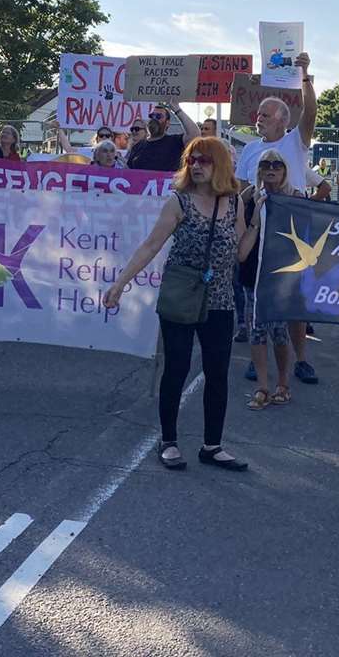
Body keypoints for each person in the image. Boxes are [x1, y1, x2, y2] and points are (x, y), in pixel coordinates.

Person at [105, 137, 247, 472]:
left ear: (220, 165)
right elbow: (151, 245)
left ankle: (212, 445)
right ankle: (168, 441)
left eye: (204, 160)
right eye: (192, 159)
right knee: (178, 368)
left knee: (217, 373)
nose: (196, 165)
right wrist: (121, 282)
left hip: (220, 300)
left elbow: (240, 250)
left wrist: (259, 222)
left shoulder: (235, 202)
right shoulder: (178, 202)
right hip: (182, 294)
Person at [235, 148, 297, 409]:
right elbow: (241, 247)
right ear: (258, 170)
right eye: (264, 164)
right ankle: (262, 386)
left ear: (284, 170)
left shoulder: (295, 198)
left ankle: (283, 382)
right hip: (253, 275)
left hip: (281, 277)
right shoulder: (247, 199)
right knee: (257, 333)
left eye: (277, 164)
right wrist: (256, 215)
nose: (271, 168)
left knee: (280, 333)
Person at [237, 53, 315, 191]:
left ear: (282, 121)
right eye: (258, 114)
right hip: (258, 211)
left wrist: (304, 74)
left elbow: (310, 112)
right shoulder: (249, 149)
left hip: (290, 211)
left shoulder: (296, 141)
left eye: (265, 115)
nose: (259, 118)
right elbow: (241, 188)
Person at [124, 102, 200, 173]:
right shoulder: (138, 146)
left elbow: (195, 134)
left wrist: (177, 110)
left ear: (167, 123)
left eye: (158, 116)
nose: (154, 119)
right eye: (151, 116)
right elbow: (128, 172)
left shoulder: (174, 142)